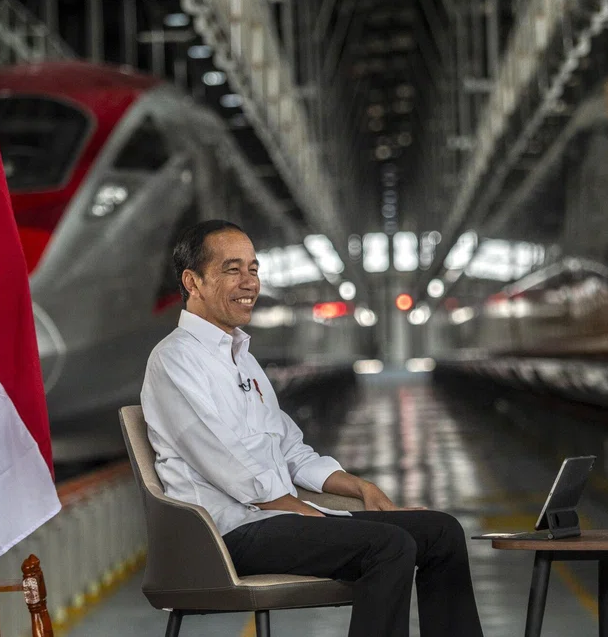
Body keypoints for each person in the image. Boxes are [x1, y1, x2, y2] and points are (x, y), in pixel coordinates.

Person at [141, 220, 484, 637]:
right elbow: (232, 466)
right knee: (389, 546)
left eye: (254, 268)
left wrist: (359, 489)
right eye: (233, 269)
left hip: (276, 520)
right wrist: (316, 514)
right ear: (192, 281)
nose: (250, 282)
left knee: (441, 531)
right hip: (226, 532)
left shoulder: (243, 360)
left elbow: (289, 448)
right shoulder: (174, 360)